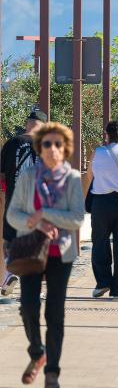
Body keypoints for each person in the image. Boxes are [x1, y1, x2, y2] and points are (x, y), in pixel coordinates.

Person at [7, 121, 85, 388]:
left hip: (60, 253)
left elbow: (77, 218)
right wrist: (37, 222)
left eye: (57, 144)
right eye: (47, 143)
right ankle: (37, 351)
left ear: (65, 148)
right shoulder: (29, 176)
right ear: (40, 147)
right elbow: (13, 214)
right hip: (31, 249)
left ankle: (52, 371)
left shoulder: (72, 179)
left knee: (55, 312)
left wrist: (46, 214)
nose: (52, 148)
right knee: (28, 305)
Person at [83, 120, 118, 299]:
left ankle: (103, 281)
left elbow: (89, 176)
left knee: (100, 242)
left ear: (107, 135)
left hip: (101, 202)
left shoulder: (98, 153)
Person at [1, 107, 46, 297]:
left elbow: (2, 175)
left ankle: (11, 272)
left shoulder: (12, 143)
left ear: (28, 123)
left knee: (10, 240)